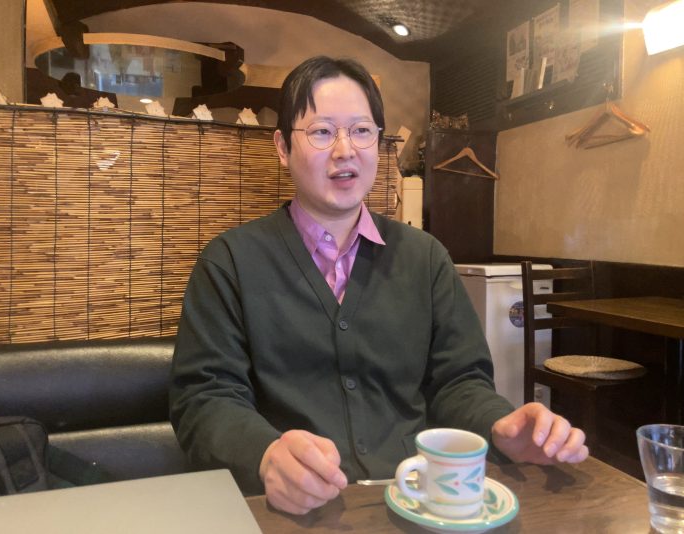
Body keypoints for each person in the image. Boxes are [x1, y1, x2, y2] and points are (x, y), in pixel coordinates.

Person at [169, 55, 588, 516]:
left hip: (415, 502)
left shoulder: (425, 258)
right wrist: (265, 456)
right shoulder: (229, 262)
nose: (345, 150)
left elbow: (458, 382)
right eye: (322, 131)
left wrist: (500, 422)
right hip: (291, 512)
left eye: (361, 130)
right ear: (283, 147)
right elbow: (204, 400)